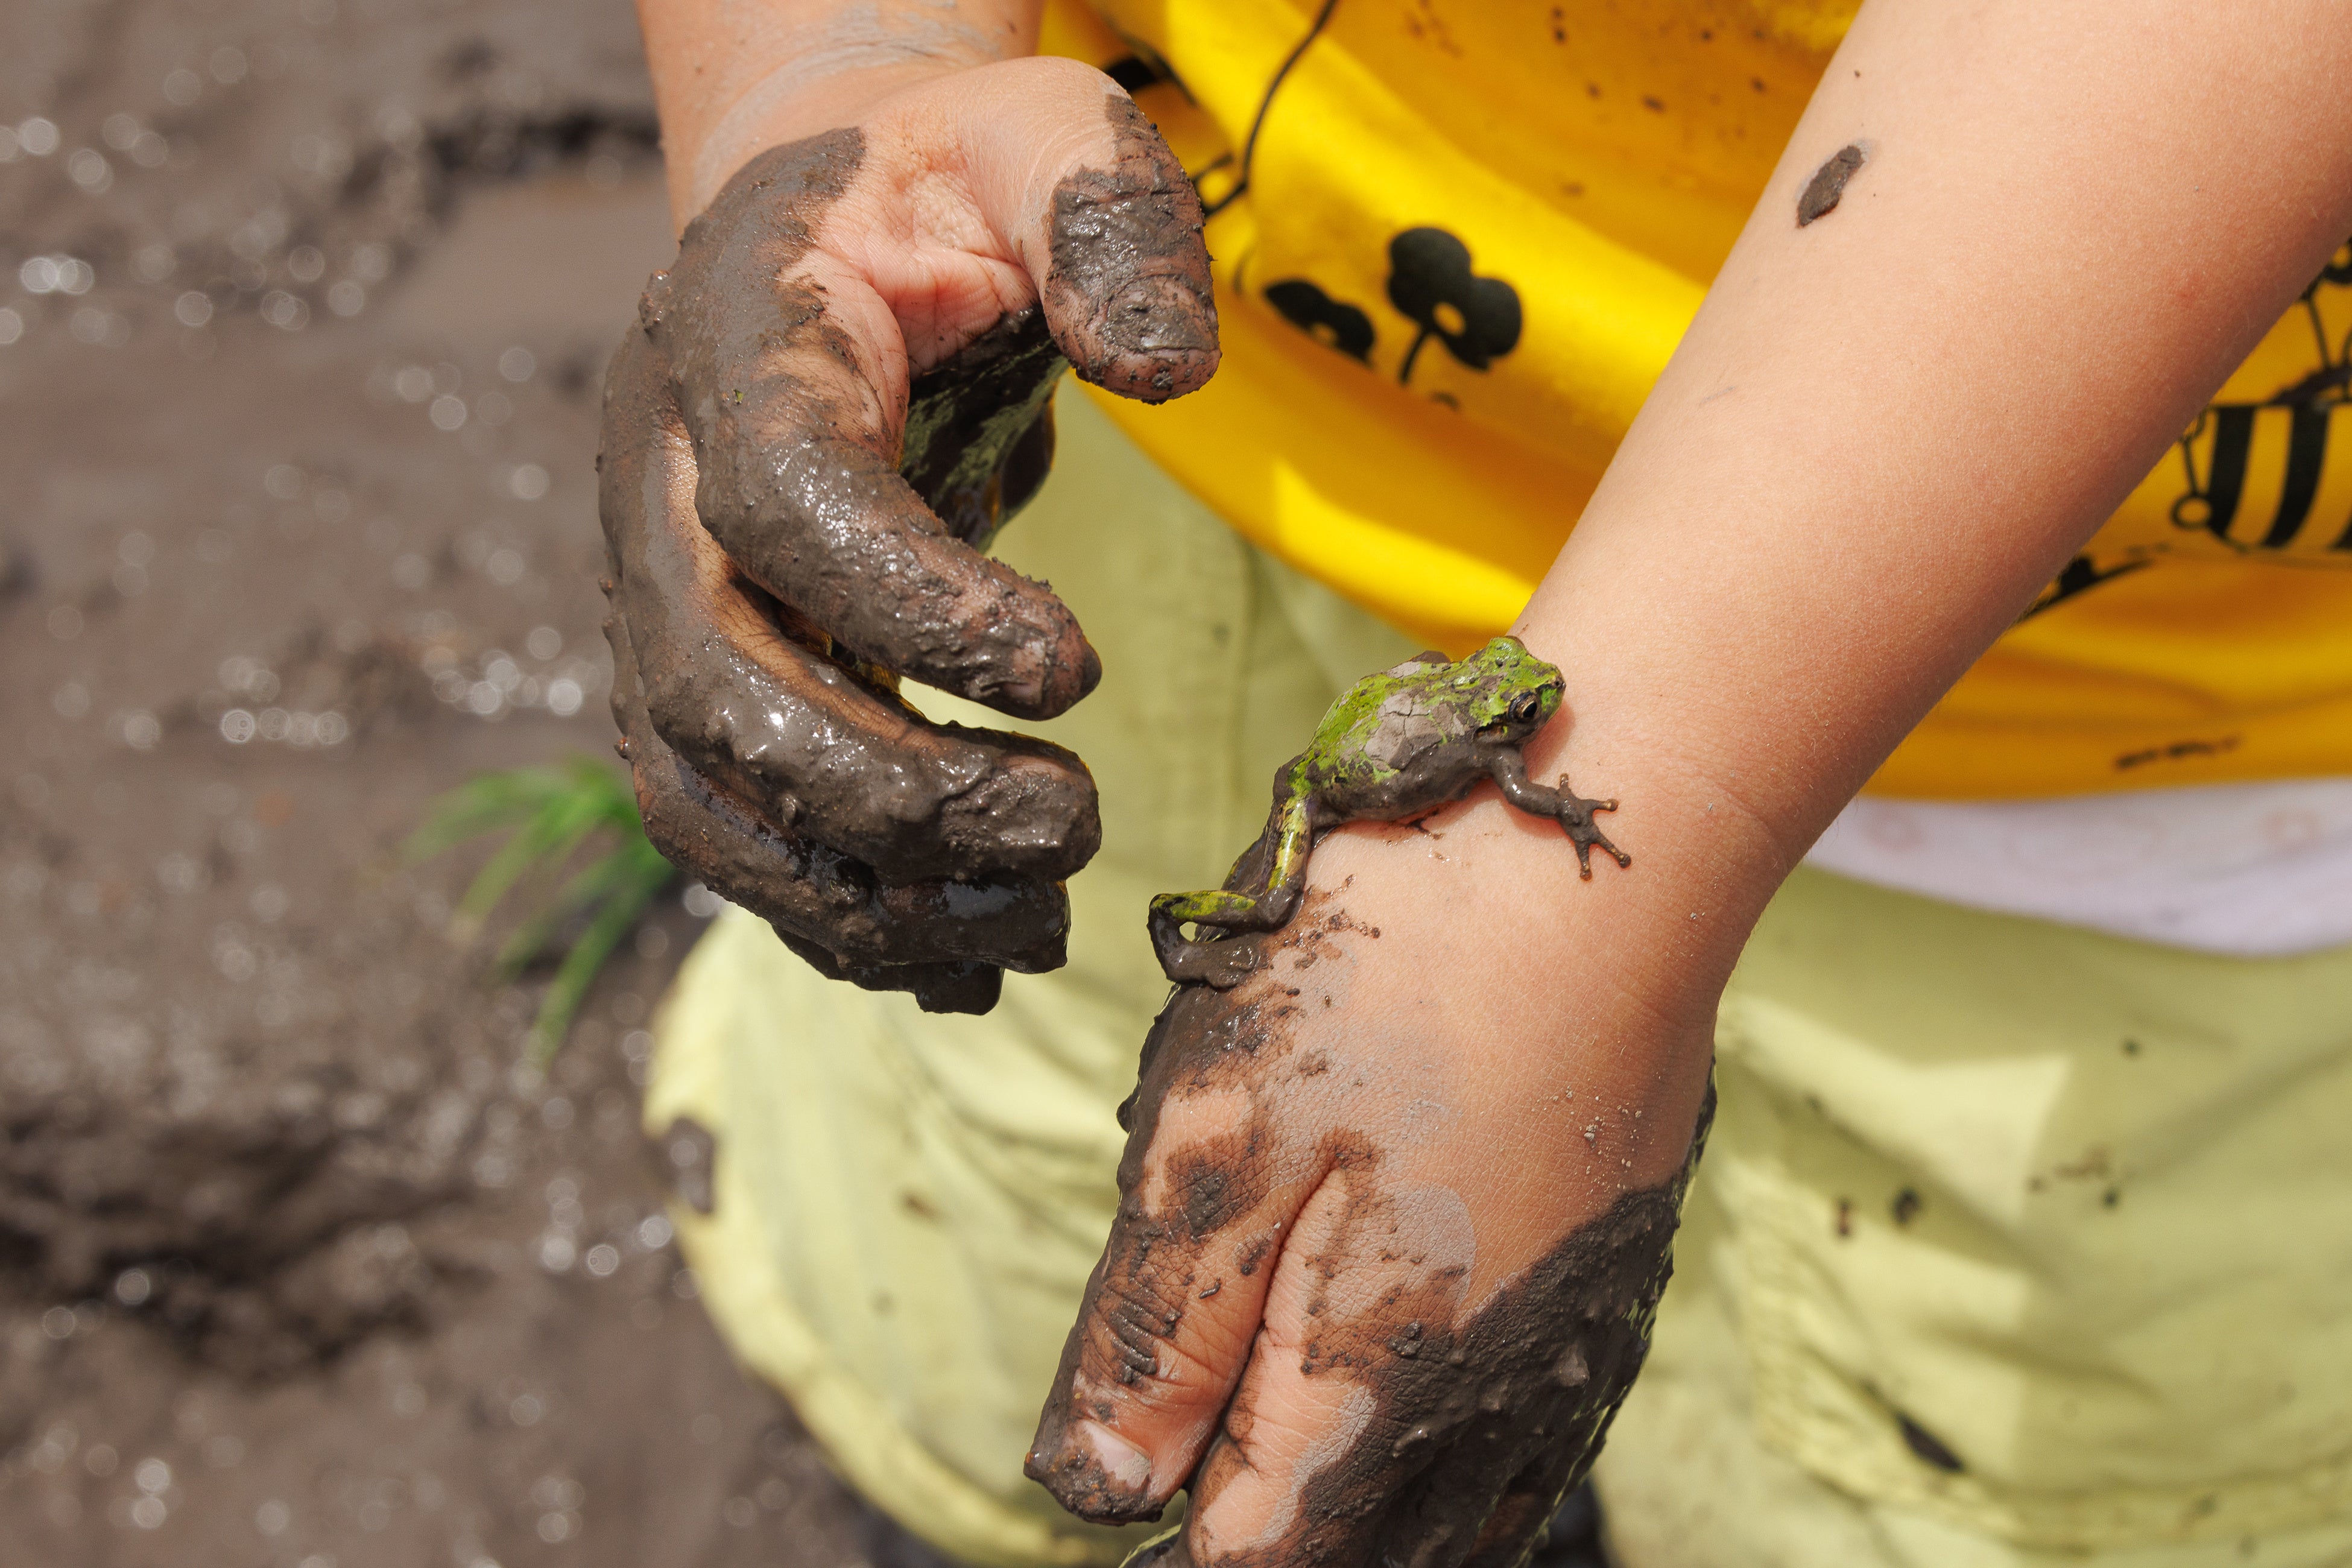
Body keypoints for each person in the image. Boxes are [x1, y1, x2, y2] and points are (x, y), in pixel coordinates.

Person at [599, 1, 2352, 1564]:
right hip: (1176, 432)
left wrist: (1625, 820)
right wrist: (834, 81)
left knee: (1971, 1471)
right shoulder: (1475, 728)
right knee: (1060, 1220)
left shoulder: (1539, 730)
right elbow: (1419, 777)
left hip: (2131, 724)